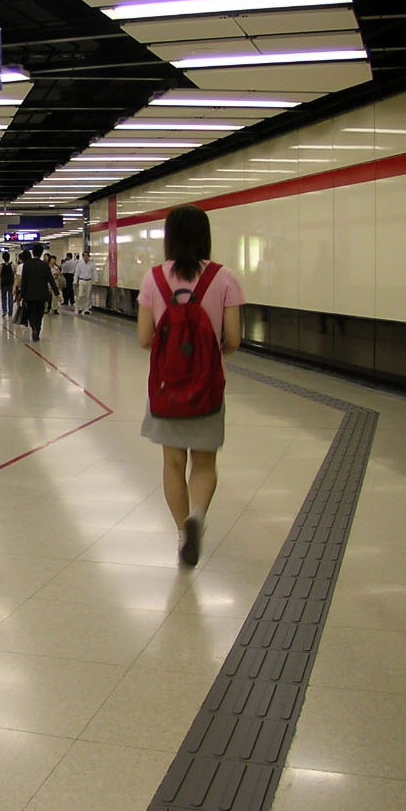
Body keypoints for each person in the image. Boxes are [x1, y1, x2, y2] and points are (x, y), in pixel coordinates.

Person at [137, 205, 245, 566]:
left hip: (167, 388)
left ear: (169, 238)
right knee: (204, 462)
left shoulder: (154, 278)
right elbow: (233, 339)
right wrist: (210, 355)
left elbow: (143, 338)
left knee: (172, 463)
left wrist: (173, 351)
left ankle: (184, 532)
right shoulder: (224, 277)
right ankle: (197, 514)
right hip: (209, 388)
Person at [16, 243, 56, 342]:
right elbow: (51, 280)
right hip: (42, 294)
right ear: (42, 253)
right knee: (40, 313)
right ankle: (37, 329)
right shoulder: (45, 265)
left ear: (33, 253)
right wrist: (57, 293)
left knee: (31, 312)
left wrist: (22, 294)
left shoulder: (27, 265)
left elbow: (24, 281)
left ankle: (33, 326)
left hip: (29, 294)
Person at [0, 251, 15, 319]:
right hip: (11, 283)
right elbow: (15, 274)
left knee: (3, 297)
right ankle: (10, 312)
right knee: (10, 297)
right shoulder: (12, 265)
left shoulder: (2, 265)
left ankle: (4, 310)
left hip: (4, 284)